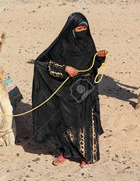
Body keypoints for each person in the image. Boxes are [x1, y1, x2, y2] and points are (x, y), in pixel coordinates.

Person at [32, 12, 108, 168]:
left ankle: (85, 156)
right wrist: (65, 68)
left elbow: (93, 66)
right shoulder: (61, 45)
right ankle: (64, 153)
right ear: (71, 29)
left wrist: (99, 57)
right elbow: (47, 66)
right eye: (78, 28)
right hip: (66, 90)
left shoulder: (88, 42)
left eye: (84, 28)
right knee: (65, 123)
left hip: (85, 89)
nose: (82, 31)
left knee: (85, 121)